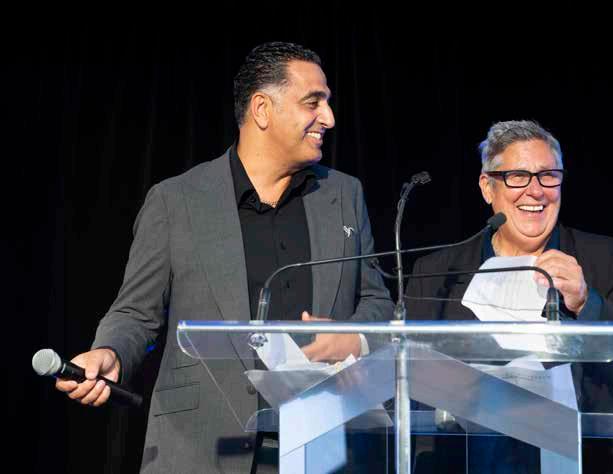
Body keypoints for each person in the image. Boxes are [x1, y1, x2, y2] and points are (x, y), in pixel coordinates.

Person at [55, 42, 394, 473]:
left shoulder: (344, 194)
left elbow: (377, 302)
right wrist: (110, 352)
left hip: (320, 449)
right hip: (202, 447)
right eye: (314, 102)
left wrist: (353, 337)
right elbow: (136, 313)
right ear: (262, 109)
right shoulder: (177, 201)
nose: (328, 118)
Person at [406, 120, 613, 473]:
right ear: (487, 187)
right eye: (518, 176)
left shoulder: (607, 260)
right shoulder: (438, 274)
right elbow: (406, 387)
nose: (535, 191)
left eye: (548, 176)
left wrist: (587, 303)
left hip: (593, 461)